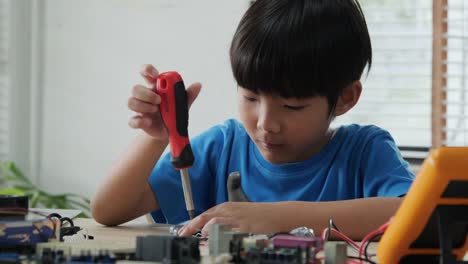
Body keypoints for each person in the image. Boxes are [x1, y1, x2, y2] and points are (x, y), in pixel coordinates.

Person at [91, 0, 414, 240]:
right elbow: (108, 211)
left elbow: (417, 216)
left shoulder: (365, 151)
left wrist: (281, 217)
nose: (266, 123)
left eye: (292, 106)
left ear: (345, 98)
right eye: (250, 98)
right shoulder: (223, 146)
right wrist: (158, 136)